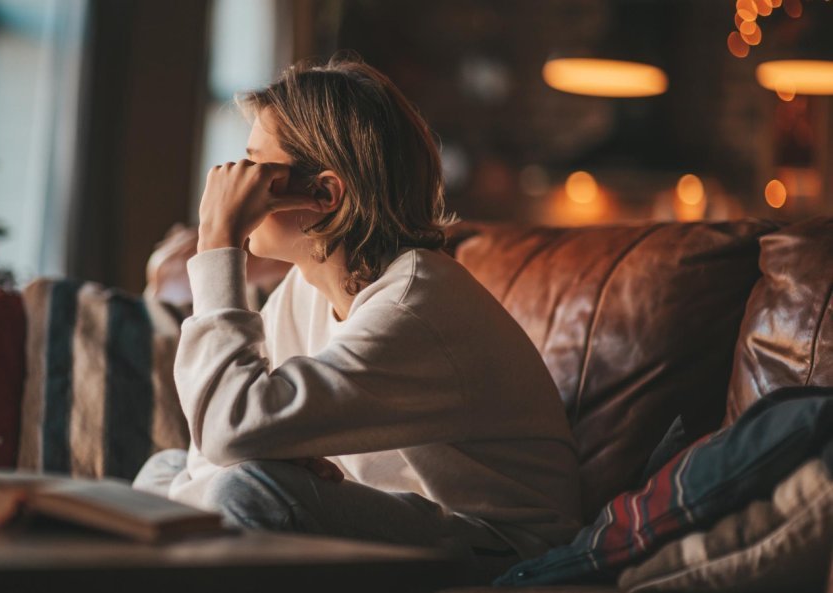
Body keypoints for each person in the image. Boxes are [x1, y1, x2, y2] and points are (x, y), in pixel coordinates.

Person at [134, 55, 581, 571]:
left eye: (255, 165)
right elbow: (221, 438)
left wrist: (219, 245)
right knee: (163, 473)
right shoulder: (308, 285)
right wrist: (268, 444)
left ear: (324, 193)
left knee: (245, 490)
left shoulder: (416, 307)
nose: (230, 182)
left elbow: (230, 431)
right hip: (402, 516)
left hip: (500, 546)